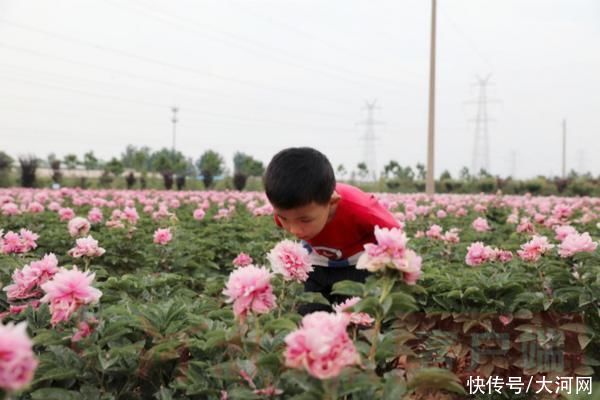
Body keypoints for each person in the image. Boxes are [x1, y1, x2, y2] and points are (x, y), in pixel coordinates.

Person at [263, 147, 400, 315]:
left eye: (304, 220)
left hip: (356, 265)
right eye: (284, 218)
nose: (295, 230)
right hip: (316, 263)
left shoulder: (361, 209)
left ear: (332, 202)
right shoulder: (287, 211)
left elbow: (395, 232)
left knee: (355, 317)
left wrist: (389, 266)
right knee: (309, 314)